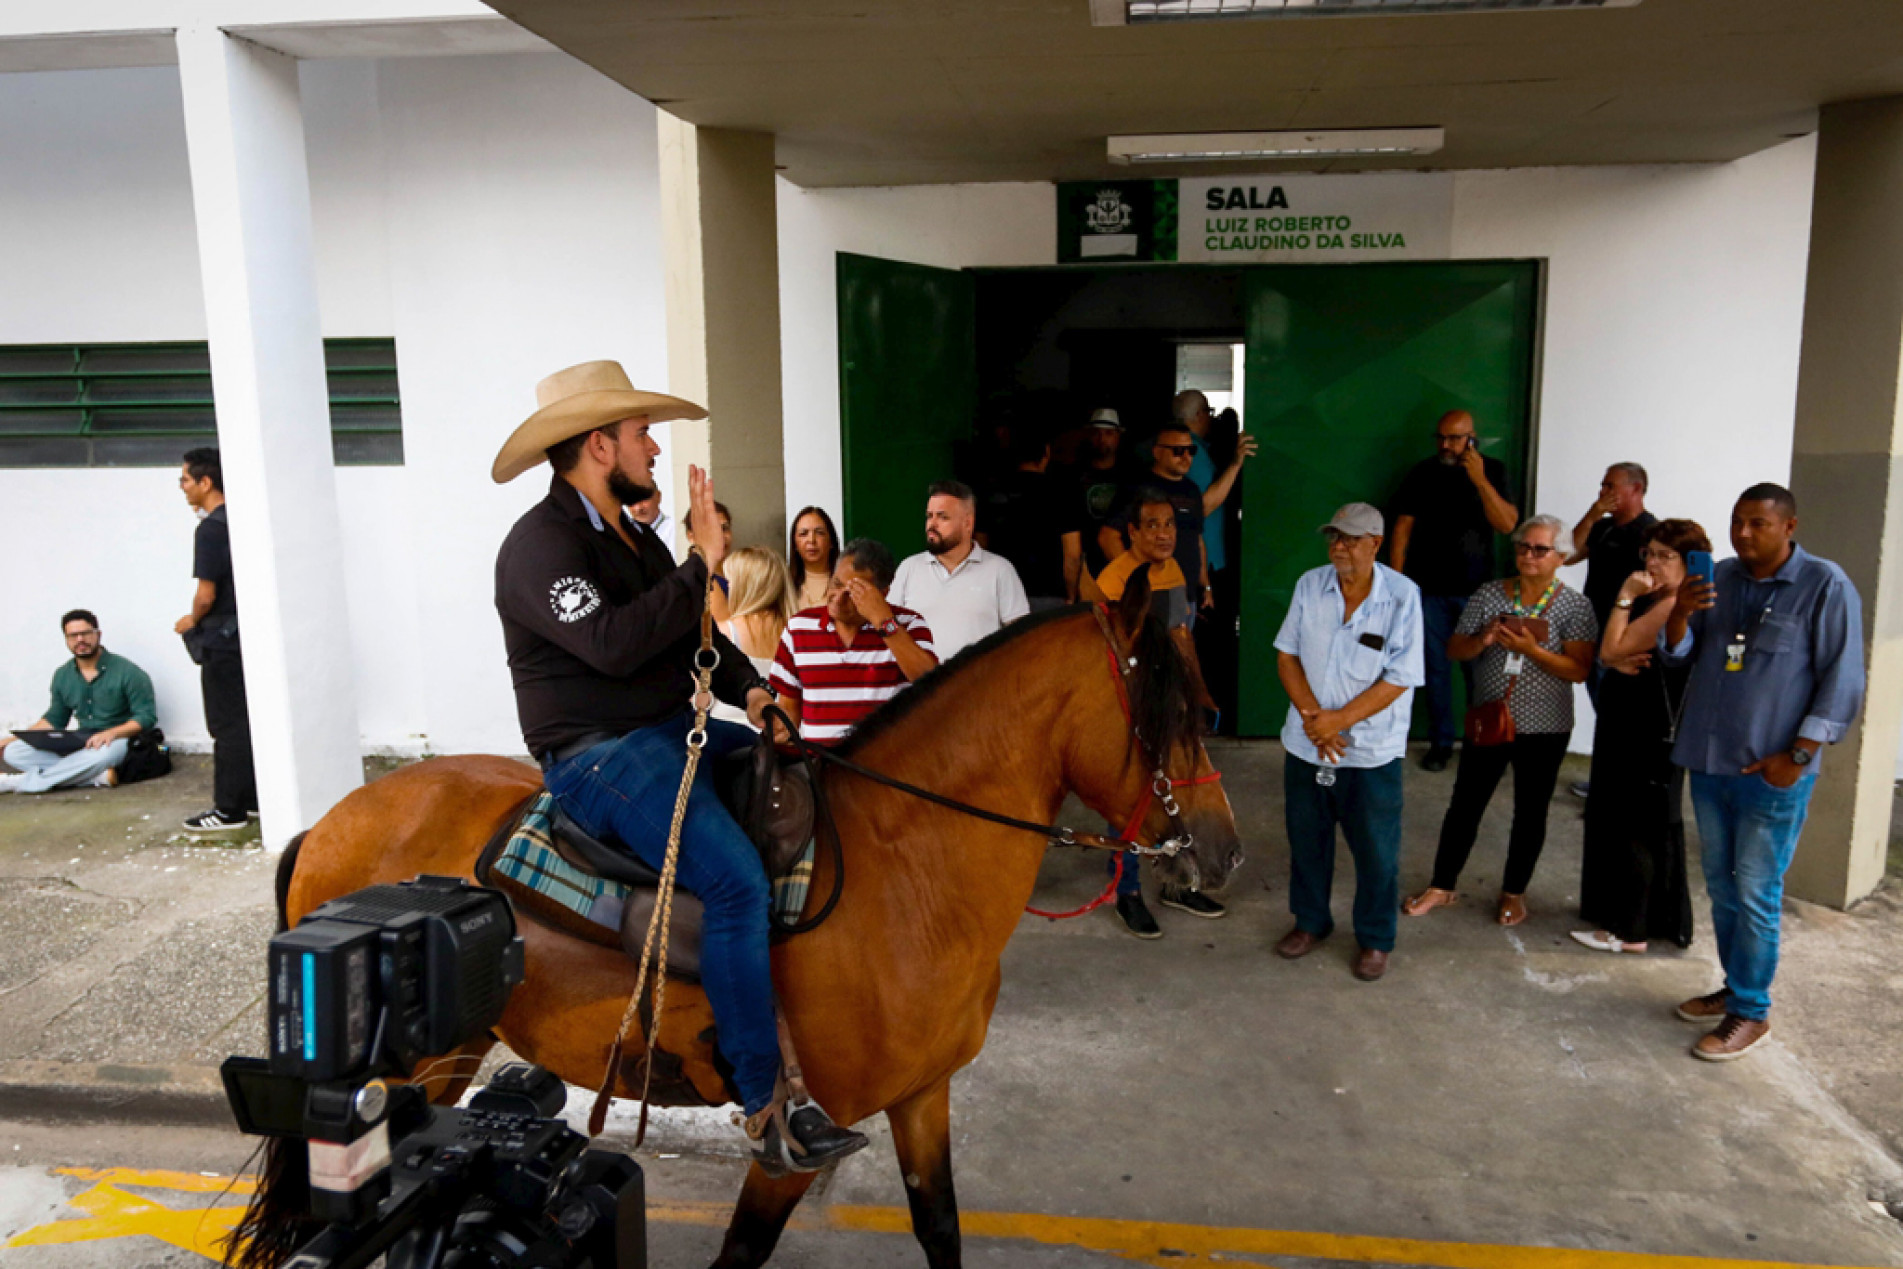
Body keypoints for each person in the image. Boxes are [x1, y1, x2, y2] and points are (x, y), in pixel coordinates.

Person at [491, 358, 865, 1169]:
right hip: (598, 755)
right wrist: (702, 559)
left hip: (666, 729)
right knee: (731, 878)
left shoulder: (629, 537)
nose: (653, 449)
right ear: (599, 446)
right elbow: (616, 644)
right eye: (639, 435)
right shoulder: (538, 547)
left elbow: (691, 635)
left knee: (820, 783)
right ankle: (764, 1103)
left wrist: (758, 696)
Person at [1660, 483, 1864, 1062]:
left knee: (1755, 890)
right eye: (1736, 521)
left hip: (1771, 773)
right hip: (1708, 760)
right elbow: (1678, 657)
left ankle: (1752, 1012)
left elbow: (1842, 682)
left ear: (1789, 526)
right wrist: (1679, 611)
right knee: (1724, 886)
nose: (1744, 533)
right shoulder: (1718, 578)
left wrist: (1796, 757)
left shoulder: (1825, 585)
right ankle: (1735, 986)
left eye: (1758, 523)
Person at [1403, 515, 1596, 926]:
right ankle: (1442, 885)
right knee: (1465, 803)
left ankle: (1514, 892)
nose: (1528, 555)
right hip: (1490, 717)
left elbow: (1579, 669)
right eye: (1523, 546)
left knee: (1531, 810)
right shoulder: (1490, 594)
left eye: (1539, 549)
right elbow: (1455, 649)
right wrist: (1483, 640)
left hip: (1546, 724)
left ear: (1560, 557)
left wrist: (1532, 649)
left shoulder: (1574, 605)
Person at [1271, 505, 1424, 982]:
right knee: (1307, 842)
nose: (1339, 546)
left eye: (1351, 538)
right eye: (1334, 536)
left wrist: (1338, 720)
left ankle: (1376, 939)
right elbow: (1287, 655)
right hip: (1307, 744)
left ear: (1376, 543)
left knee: (1377, 851)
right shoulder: (1309, 585)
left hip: (1370, 752)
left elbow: (1401, 676)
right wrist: (1316, 722)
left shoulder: (1401, 596)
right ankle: (1310, 922)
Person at [1085, 488, 1223, 936]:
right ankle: (1126, 893)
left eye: (1169, 524)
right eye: (1153, 525)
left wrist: (1199, 693)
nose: (1164, 534)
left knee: (1177, 795)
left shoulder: (1176, 570)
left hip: (1172, 704)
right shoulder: (1113, 582)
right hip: (1131, 708)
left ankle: (1178, 884)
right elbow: (1098, 656)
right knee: (1133, 801)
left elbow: (1182, 636)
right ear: (1132, 532)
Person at [1571, 519, 1708, 956]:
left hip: (1644, 728)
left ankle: (1630, 929)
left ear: (1689, 564)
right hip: (1628, 720)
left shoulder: (1670, 607)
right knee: (1629, 819)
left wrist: (1625, 595)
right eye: (1649, 553)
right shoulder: (1662, 602)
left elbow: (1608, 652)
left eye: (1664, 556)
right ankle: (1639, 921)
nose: (1651, 562)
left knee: (1635, 824)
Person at [1388, 411, 1520, 771]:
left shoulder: (1492, 470)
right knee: (1435, 672)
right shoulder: (1423, 472)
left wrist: (1478, 480)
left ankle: (1482, 742)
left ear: (1472, 439)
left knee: (1481, 671)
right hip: (1427, 591)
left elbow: (1507, 524)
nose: (1446, 445)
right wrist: (1397, 586)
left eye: (1455, 438)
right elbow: (1402, 528)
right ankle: (1441, 744)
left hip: (1479, 593)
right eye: (1441, 437)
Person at [772, 538, 937, 746]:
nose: (838, 598)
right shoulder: (799, 628)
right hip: (820, 770)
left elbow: (932, 684)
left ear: (882, 594)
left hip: (885, 769)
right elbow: (788, 712)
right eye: (836, 584)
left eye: (853, 593)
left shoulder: (909, 624)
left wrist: (884, 622)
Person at [175, 447, 258, 833]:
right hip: (249, 635)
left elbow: (206, 593)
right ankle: (253, 798)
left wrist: (191, 620)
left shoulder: (210, 529)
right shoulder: (243, 522)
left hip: (223, 642)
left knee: (226, 725)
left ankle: (228, 810)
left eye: (186, 480)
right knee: (247, 721)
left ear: (206, 482)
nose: (183, 488)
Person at [1566, 462, 1657, 798]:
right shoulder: (1602, 528)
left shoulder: (1650, 533)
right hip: (1593, 632)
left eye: (1610, 487)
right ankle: (1606, 782)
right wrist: (1591, 515)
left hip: (1625, 640)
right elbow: (1567, 555)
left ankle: (1621, 786)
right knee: (1605, 712)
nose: (1603, 493)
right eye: (1602, 486)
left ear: (1636, 489)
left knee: (1622, 717)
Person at [0, 610, 157, 794]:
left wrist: (112, 733)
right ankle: (95, 777)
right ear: (66, 639)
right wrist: (13, 739)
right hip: (81, 741)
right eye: (73, 635)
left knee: (100, 756)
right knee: (14, 752)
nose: (80, 640)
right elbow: (54, 719)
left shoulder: (128, 672)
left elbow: (146, 717)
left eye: (86, 633)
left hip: (118, 740)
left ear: (98, 635)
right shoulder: (62, 675)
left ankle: (17, 783)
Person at [888, 481, 1029, 661]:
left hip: (979, 684)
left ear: (967, 523)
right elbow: (888, 628)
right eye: (929, 516)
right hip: (921, 685)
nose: (932, 524)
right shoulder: (909, 568)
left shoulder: (999, 570)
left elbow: (1020, 637)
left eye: (942, 517)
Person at [1100, 423, 1210, 625]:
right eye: (1178, 451)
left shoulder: (1192, 490)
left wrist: (1206, 586)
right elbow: (1108, 536)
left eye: (1191, 450)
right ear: (1157, 452)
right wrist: (1137, 582)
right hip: (1149, 598)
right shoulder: (1137, 488)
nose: (1186, 457)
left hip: (1185, 594)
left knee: (1182, 652)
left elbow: (1198, 539)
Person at [980, 428, 1069, 610]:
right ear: (1047, 453)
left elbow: (980, 546)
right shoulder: (1062, 493)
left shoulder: (992, 493)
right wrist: (1072, 594)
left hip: (1004, 595)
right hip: (1050, 595)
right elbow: (1073, 553)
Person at [710, 545, 793, 729]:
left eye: (730, 581)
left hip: (729, 735)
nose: (727, 587)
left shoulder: (724, 633)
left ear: (745, 585)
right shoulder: (796, 631)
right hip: (781, 733)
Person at [1065, 408, 1125, 593]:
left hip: (1118, 562)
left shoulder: (1130, 476)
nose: (1102, 438)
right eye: (1096, 433)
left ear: (1118, 437)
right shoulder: (1074, 475)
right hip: (1085, 564)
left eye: (1108, 433)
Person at [685, 499, 734, 625]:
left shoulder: (734, 571)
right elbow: (726, 631)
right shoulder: (703, 578)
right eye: (712, 530)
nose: (721, 537)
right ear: (691, 536)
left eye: (725, 528)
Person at [788, 505, 840, 613]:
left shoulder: (845, 584)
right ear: (795, 545)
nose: (811, 540)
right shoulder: (785, 585)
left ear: (831, 542)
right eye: (803, 534)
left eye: (820, 533)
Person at [627, 486, 673, 558]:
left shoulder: (674, 529)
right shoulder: (624, 535)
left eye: (643, 499)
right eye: (631, 501)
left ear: (658, 496)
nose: (638, 508)